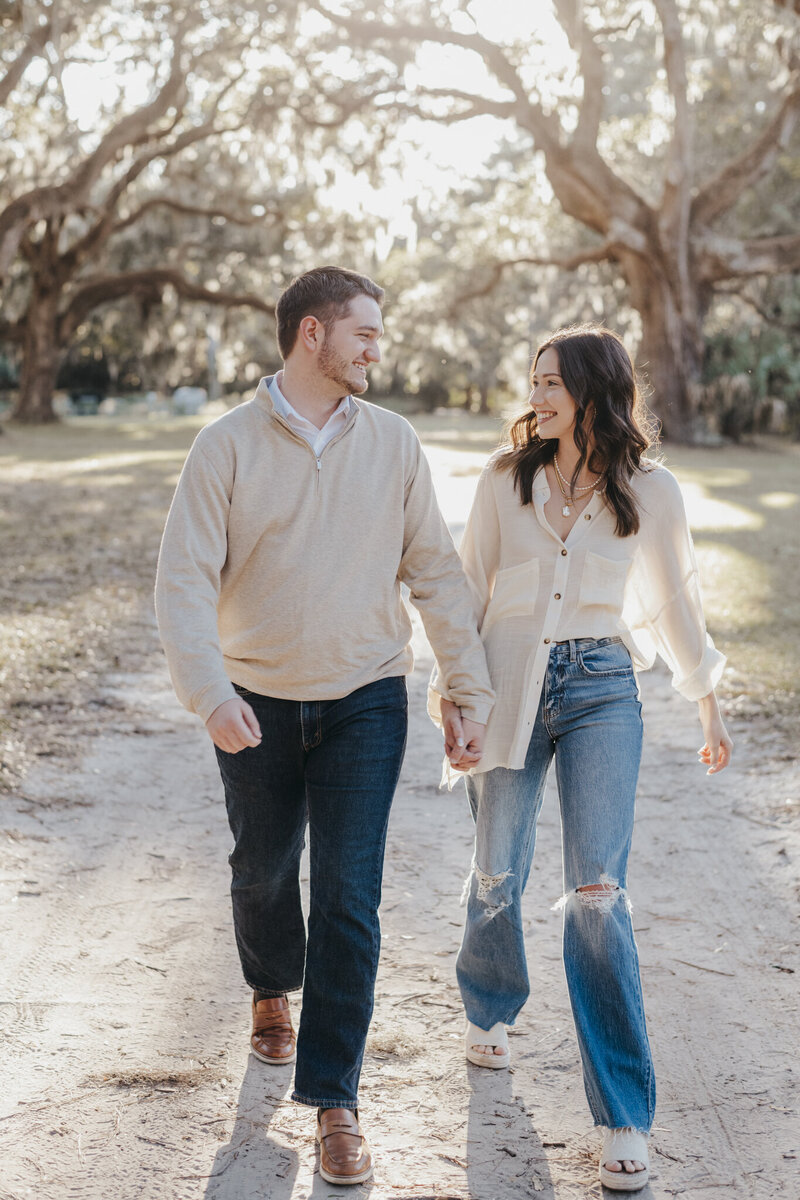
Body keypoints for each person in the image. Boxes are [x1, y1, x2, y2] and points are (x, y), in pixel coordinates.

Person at [155, 265, 493, 1186]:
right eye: (366, 333)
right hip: (254, 700)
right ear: (313, 333)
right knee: (262, 870)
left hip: (367, 696)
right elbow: (183, 580)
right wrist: (209, 692)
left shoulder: (394, 442)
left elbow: (437, 574)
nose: (378, 349)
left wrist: (466, 691)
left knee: (349, 897)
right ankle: (270, 987)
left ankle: (335, 1100)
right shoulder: (224, 447)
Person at [429, 324, 733, 1192]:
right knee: (497, 868)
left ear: (596, 388)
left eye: (554, 380)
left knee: (597, 897)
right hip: (507, 678)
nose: (538, 395)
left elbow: (678, 602)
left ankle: (625, 1115)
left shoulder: (652, 489)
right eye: (534, 380)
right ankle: (490, 1006)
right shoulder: (504, 479)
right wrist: (453, 694)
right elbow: (465, 589)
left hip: (603, 685)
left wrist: (706, 700)